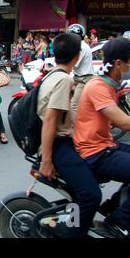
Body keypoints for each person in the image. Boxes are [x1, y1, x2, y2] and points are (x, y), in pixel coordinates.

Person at [73, 37, 130, 238]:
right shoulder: (98, 86)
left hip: (106, 144)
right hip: (95, 152)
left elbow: (119, 120)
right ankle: (119, 222)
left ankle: (112, 206)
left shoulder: (110, 84)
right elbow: (123, 122)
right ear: (118, 63)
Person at [37, 33, 101, 238]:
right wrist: (46, 160)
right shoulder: (63, 80)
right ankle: (69, 232)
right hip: (58, 144)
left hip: (63, 141)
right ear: (77, 56)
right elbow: (50, 120)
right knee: (90, 195)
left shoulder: (53, 74)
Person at [68, 24, 94, 120]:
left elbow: (74, 63)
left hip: (84, 79)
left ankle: (75, 130)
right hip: (78, 77)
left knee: (74, 105)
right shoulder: (78, 45)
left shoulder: (81, 47)